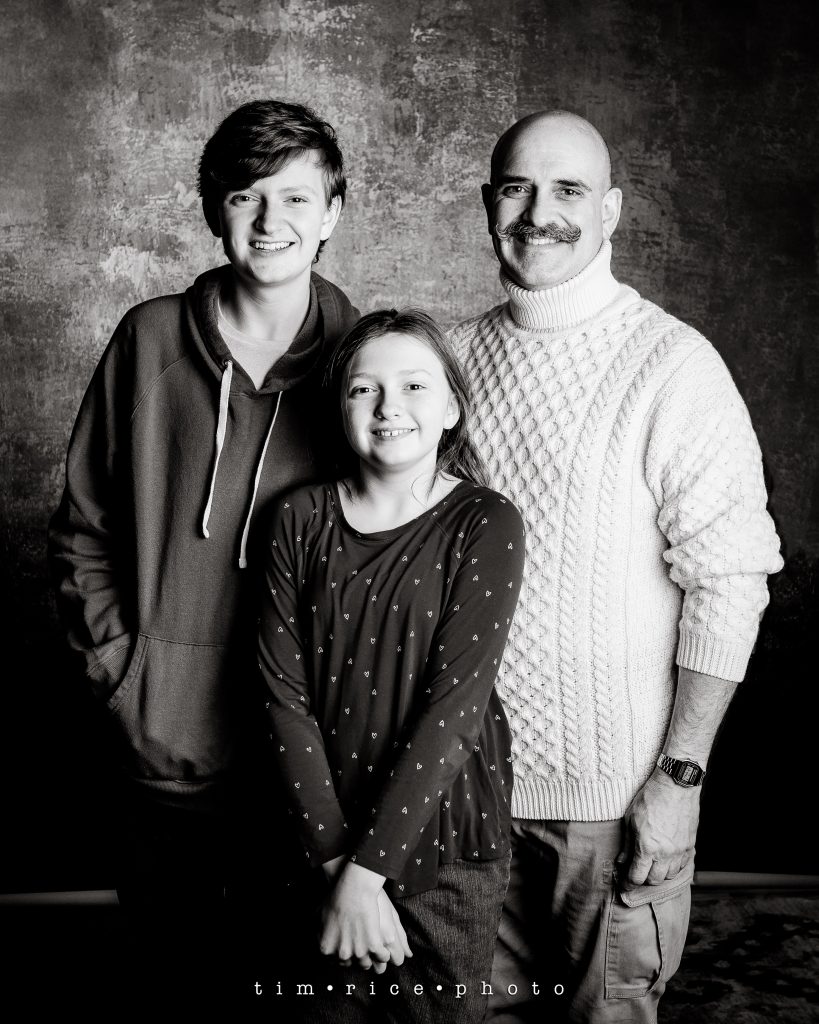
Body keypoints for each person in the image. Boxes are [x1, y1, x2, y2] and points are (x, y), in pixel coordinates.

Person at [449, 110, 783, 1023]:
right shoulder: (449, 361)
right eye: (516, 188)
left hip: (612, 802)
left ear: (611, 211)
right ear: (487, 203)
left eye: (568, 190)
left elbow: (729, 581)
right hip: (463, 799)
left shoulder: (672, 364)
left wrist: (678, 782)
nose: (538, 213)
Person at [47, 99, 359, 1009]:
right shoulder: (148, 341)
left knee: (288, 992)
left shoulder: (363, 362)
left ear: (332, 213)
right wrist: (124, 675)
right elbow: (83, 528)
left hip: (306, 756)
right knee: (172, 981)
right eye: (244, 196)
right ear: (213, 209)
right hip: (161, 742)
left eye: (295, 198)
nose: (269, 221)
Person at [257, 309, 525, 1023]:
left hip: (446, 843)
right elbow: (282, 701)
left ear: (451, 407)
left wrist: (365, 877)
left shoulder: (484, 521)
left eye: (413, 385)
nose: (388, 407)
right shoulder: (298, 518)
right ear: (339, 408)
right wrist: (336, 871)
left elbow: (455, 710)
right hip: (316, 833)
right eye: (363, 388)